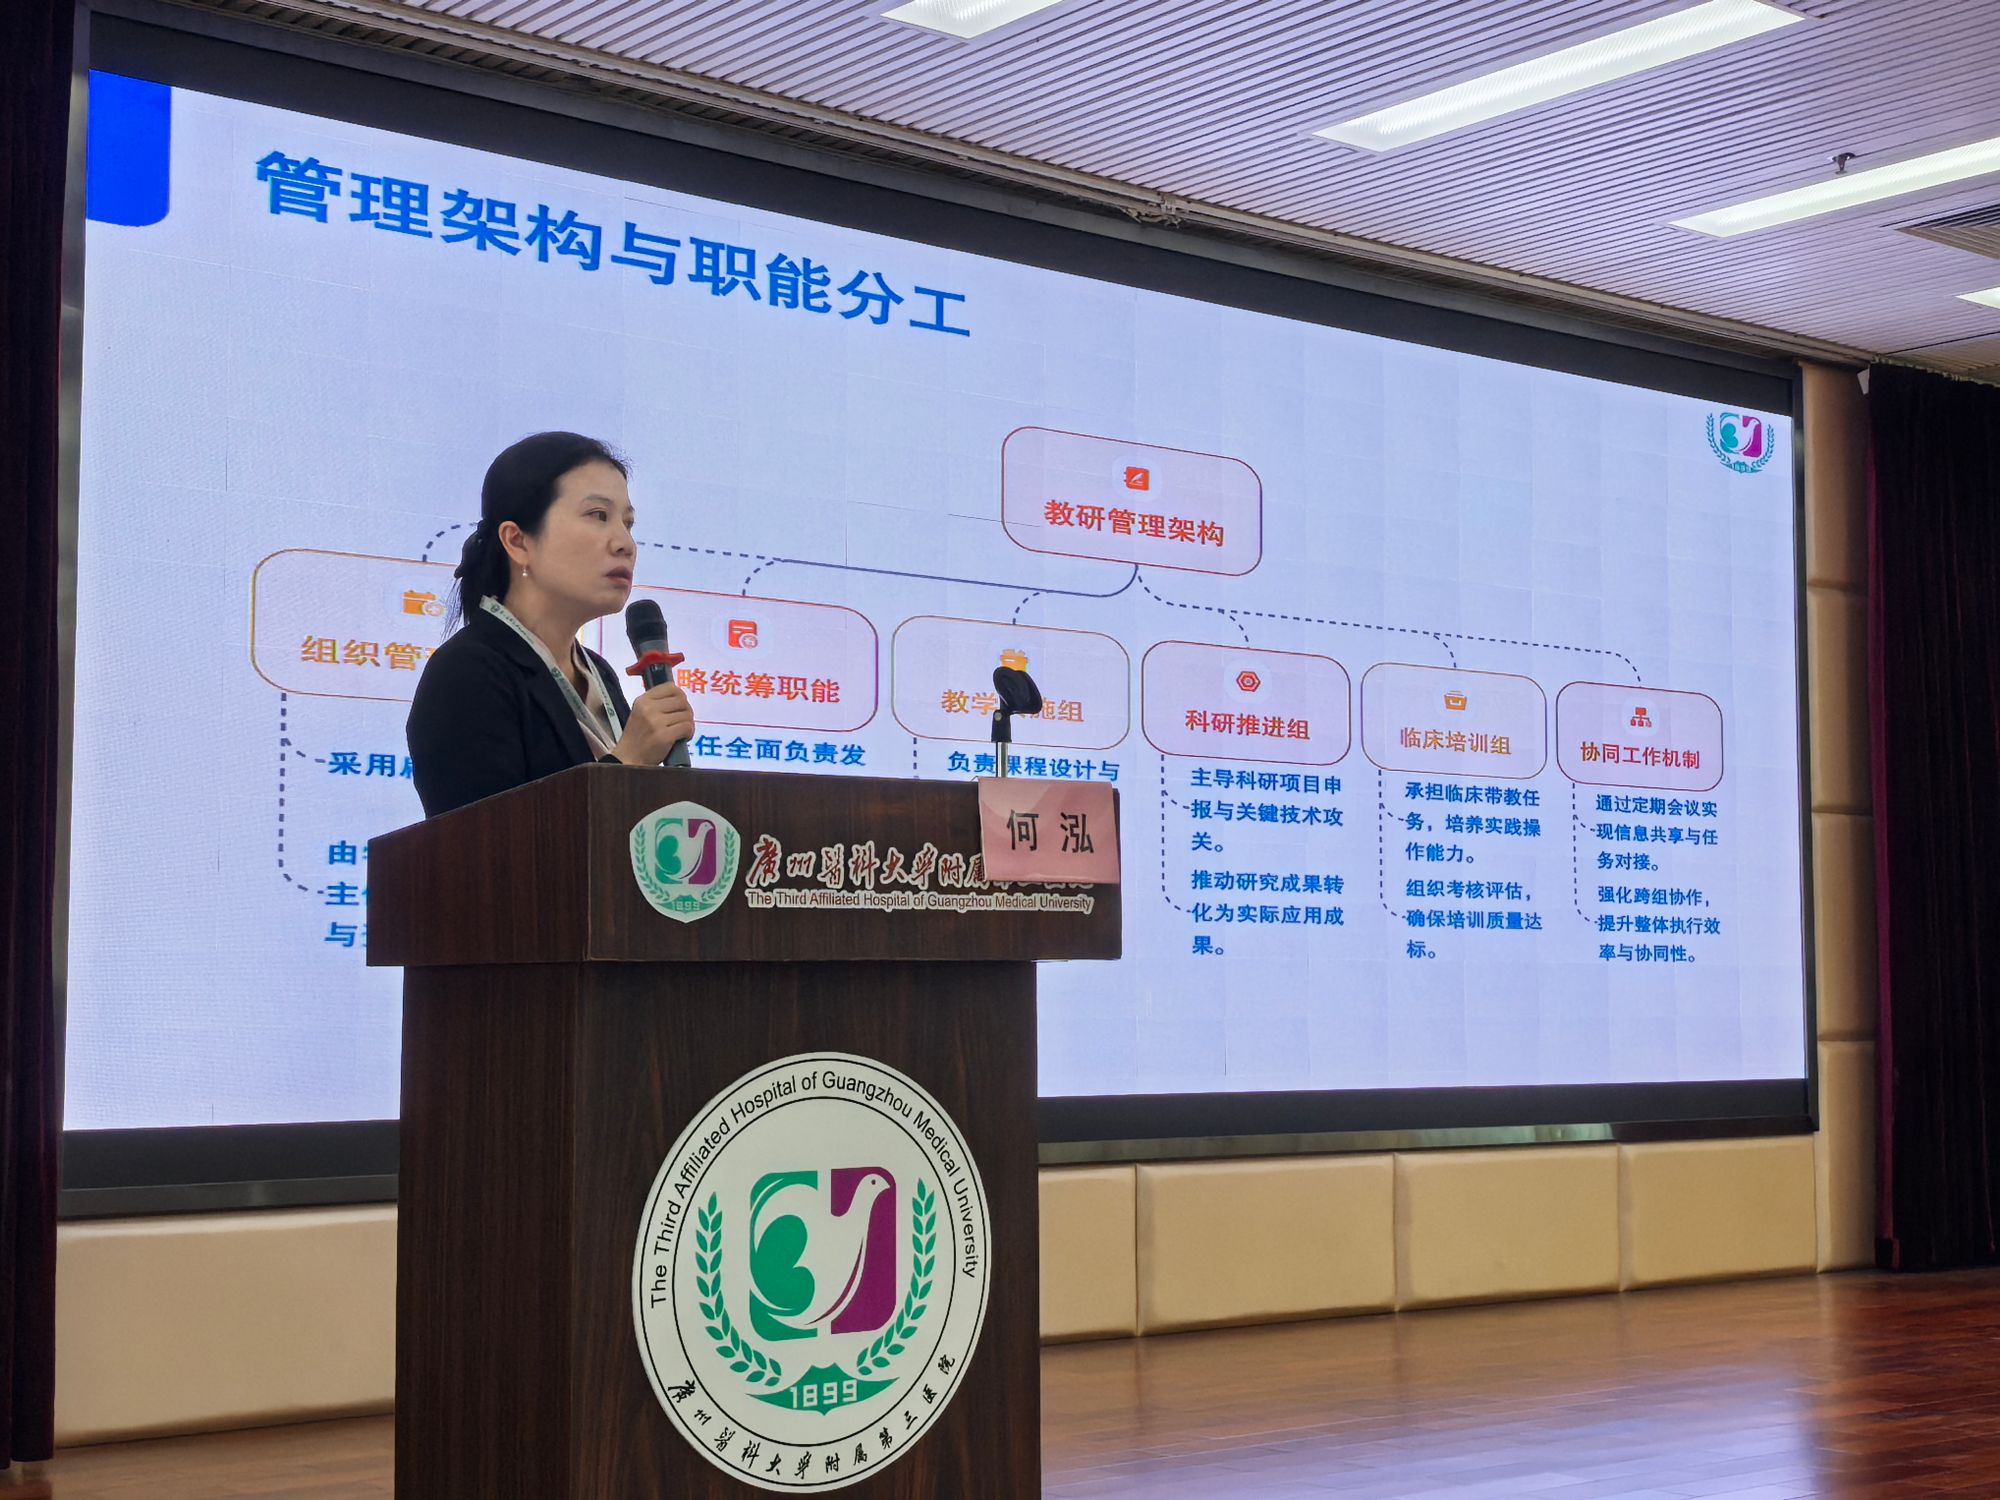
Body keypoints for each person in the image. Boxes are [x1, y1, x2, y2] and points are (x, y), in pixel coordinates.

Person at [406, 431, 695, 817]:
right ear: (518, 541)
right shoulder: (467, 671)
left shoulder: (599, 673)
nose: (625, 543)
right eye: (598, 516)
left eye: (628, 523)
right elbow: (488, 842)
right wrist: (629, 759)